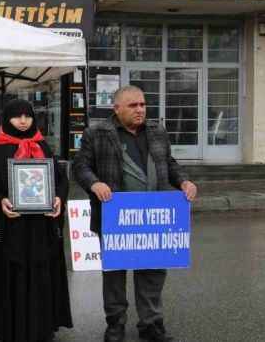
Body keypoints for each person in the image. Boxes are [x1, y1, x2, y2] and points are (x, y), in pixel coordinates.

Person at [72, 85, 198, 342]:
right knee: (114, 276)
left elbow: (169, 163)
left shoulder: (157, 131)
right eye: (133, 105)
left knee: (152, 273)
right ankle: (115, 324)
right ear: (116, 108)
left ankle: (151, 324)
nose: (140, 110)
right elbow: (80, 166)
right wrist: (94, 183)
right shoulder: (96, 132)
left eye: (142, 104)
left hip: (154, 216)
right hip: (114, 218)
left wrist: (184, 181)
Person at [0, 99, 72, 342]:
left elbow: (60, 180)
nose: (23, 121)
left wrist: (58, 198)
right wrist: (0, 201)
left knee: (42, 271)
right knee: (13, 272)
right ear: (6, 119)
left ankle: (42, 326)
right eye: (17, 116)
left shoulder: (43, 146)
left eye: (28, 116)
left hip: (41, 227)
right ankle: (11, 327)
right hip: (12, 226)